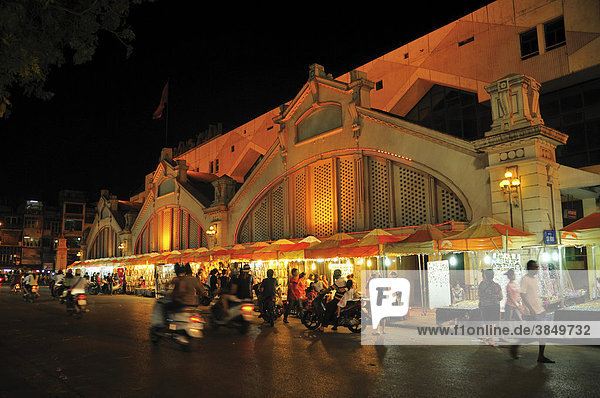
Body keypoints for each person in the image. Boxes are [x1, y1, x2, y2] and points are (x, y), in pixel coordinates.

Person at [518, 260, 554, 363]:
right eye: (535, 267)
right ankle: (516, 346)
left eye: (537, 266)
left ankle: (541, 355)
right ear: (530, 268)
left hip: (540, 310)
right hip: (533, 311)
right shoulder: (525, 279)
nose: (537, 268)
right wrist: (530, 308)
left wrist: (541, 305)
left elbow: (534, 295)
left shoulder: (534, 279)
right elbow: (523, 294)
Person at [478, 269, 502, 345]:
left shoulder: (481, 284)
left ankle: (484, 338)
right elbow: (501, 297)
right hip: (494, 306)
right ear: (493, 276)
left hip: (484, 306)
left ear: (485, 276)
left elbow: (479, 295)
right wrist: (495, 298)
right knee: (492, 323)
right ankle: (491, 339)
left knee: (485, 322)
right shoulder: (497, 285)